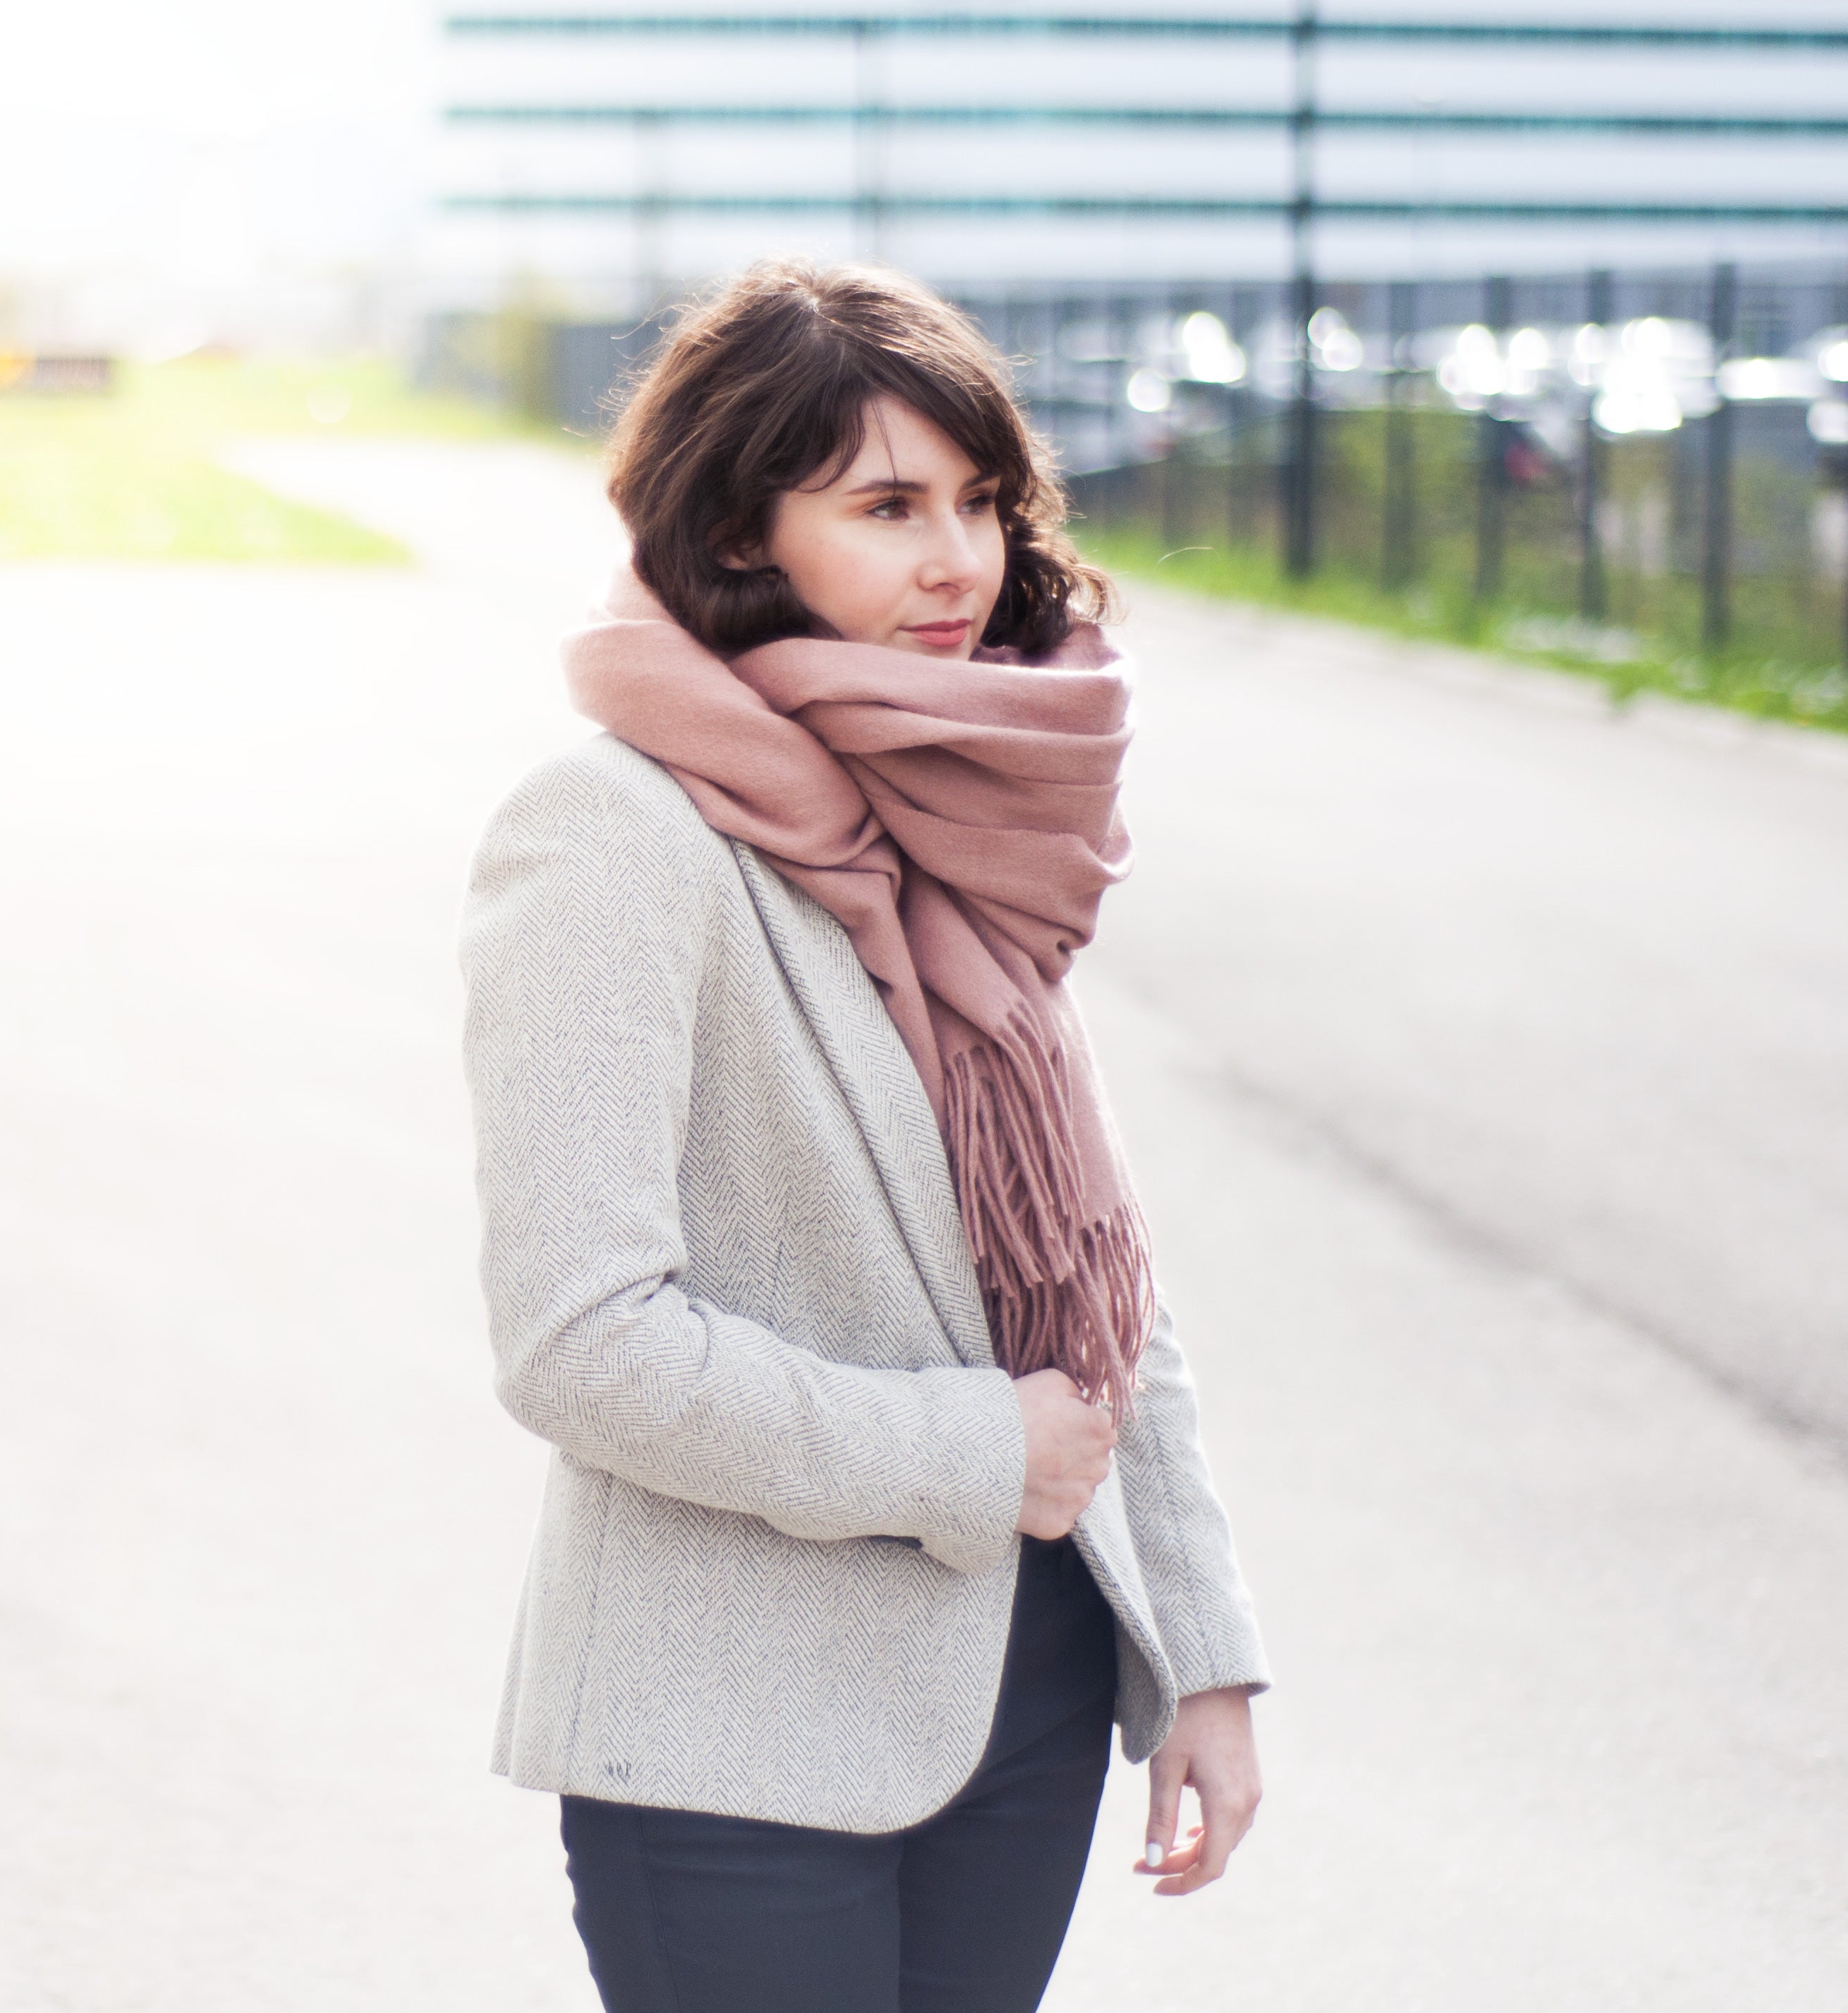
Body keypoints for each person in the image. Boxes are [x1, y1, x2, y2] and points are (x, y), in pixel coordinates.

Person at [459, 261, 1268, 2012]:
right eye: (886, 506)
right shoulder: (608, 831)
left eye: (978, 502)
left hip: (1031, 1688)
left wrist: (1200, 1652)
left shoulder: (971, 816)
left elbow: (1091, 1275)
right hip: (731, 1732)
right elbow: (576, 1338)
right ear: (741, 533)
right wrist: (972, 1453)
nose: (956, 562)